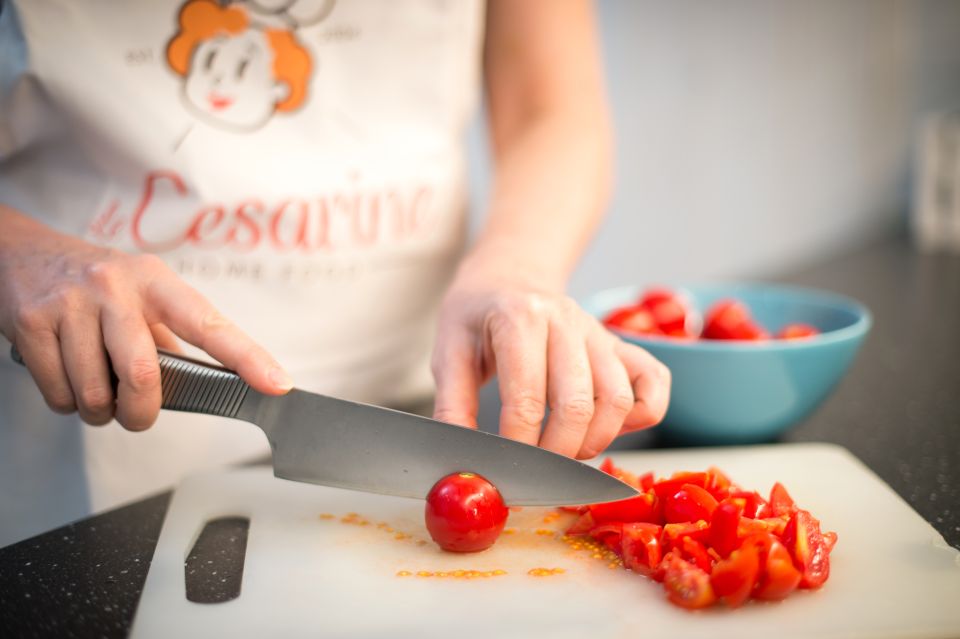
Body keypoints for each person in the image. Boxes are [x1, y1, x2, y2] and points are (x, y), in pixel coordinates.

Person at [0, 0, 670, 545]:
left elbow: (550, 109)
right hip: (75, 423)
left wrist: (516, 265)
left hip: (407, 394)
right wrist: (18, 249)